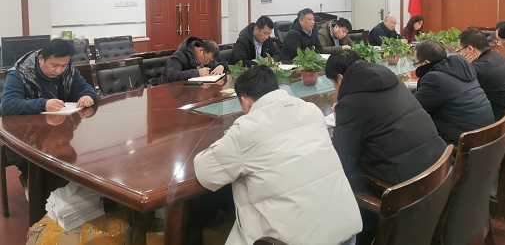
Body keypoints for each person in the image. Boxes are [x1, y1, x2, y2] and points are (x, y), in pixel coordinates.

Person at [194, 66, 362, 245]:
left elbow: (206, 173)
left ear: (245, 101)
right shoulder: (311, 110)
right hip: (345, 233)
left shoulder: (247, 129)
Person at [326, 50, 446, 183]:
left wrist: (341, 117)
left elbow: (343, 158)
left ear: (340, 78)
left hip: (409, 186)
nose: (335, 88)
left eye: (333, 82)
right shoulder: (396, 83)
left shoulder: (350, 104)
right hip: (440, 168)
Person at [1, 38, 98, 193]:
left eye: (63, 65)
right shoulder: (19, 73)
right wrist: (43, 104)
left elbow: (85, 87)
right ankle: (32, 184)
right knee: (39, 170)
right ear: (41, 59)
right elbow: (8, 105)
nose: (59, 70)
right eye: (54, 65)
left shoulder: (68, 69)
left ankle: (64, 192)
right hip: (22, 136)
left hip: (54, 126)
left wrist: (87, 95)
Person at [413, 40, 494, 144]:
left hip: (465, 143)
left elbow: (413, 109)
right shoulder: (461, 68)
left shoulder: (434, 78)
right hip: (486, 135)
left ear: (425, 63)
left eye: (415, 63)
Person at [457, 28, 505, 127]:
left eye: (460, 50)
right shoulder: (498, 57)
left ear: (470, 49)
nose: (460, 54)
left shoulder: (480, 68)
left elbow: (459, 90)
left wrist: (465, 66)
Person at [160, 37, 226, 83]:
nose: (207, 63)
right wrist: (197, 73)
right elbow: (172, 76)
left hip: (193, 91)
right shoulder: (179, 55)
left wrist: (221, 66)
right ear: (201, 50)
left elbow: (218, 64)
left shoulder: (207, 57)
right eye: (207, 60)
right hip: (170, 92)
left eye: (210, 61)